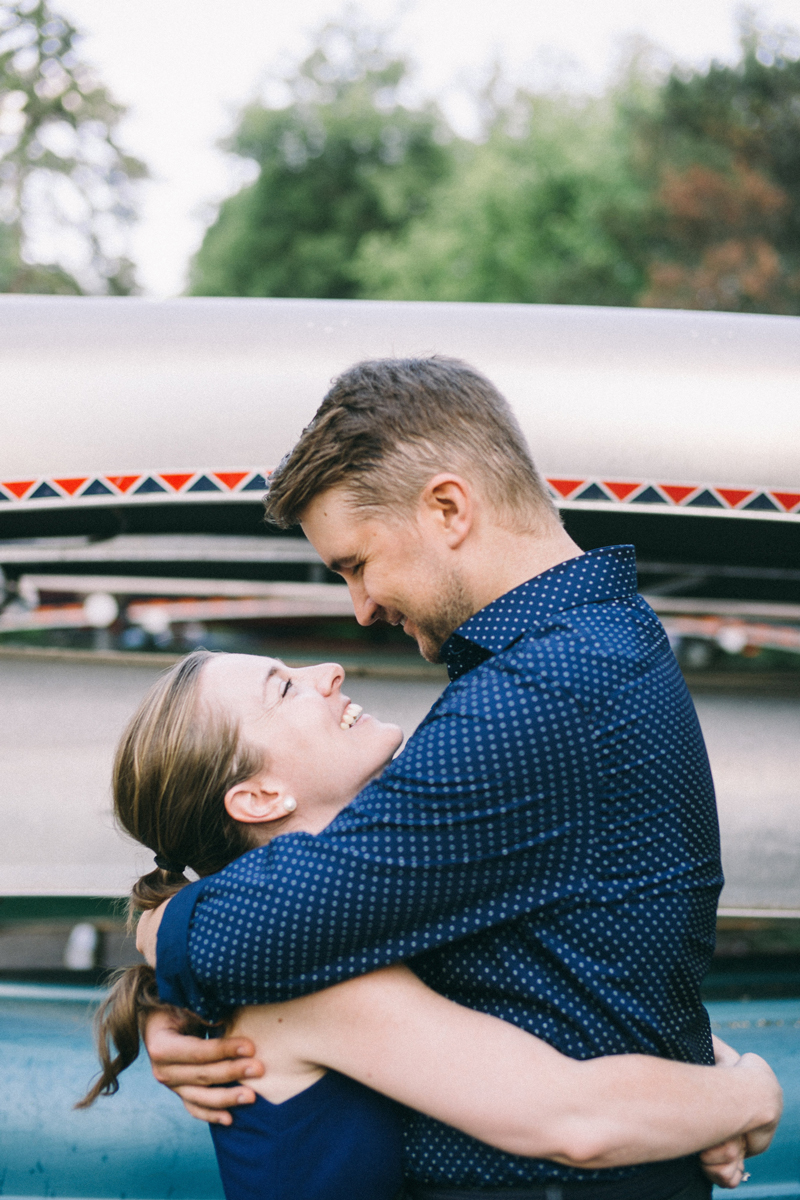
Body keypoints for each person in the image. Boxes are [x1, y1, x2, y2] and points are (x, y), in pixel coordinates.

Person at [140, 357, 767, 1199]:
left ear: (446, 508)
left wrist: (155, 935)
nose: (359, 608)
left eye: (356, 563)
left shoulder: (538, 698)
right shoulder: (589, 653)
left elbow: (247, 934)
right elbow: (550, 965)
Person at [82, 649, 779, 1200]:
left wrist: (701, 1078)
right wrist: (747, 1093)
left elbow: (541, 1012)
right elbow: (574, 1118)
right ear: (260, 796)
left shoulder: (346, 927)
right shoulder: (309, 985)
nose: (328, 671)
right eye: (283, 689)